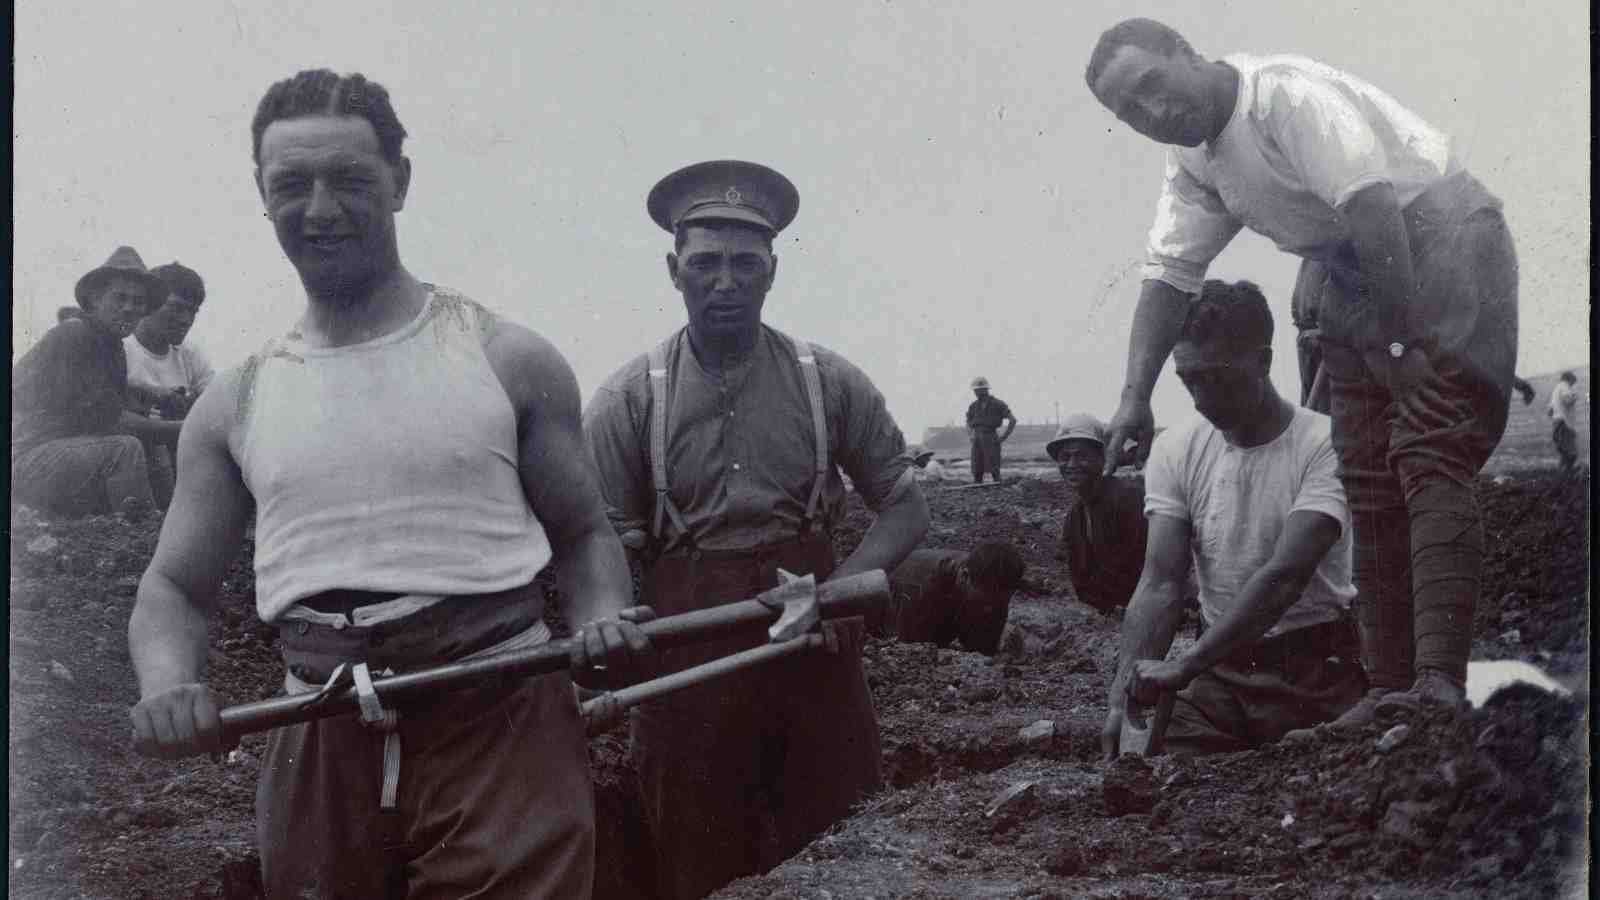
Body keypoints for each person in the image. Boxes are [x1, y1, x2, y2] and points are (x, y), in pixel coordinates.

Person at [126, 69, 649, 899]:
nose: (320, 210)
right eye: (291, 185)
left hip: (498, 712)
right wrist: (168, 685)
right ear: (262, 194)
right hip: (316, 726)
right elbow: (175, 587)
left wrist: (601, 622)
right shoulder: (238, 399)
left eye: (350, 180)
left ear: (400, 182)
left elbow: (585, 536)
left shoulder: (503, 357)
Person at [1087, 19, 1518, 724]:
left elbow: (1373, 204)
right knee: (1368, 474)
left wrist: (1401, 345)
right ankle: (1389, 690)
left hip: (1437, 238)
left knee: (1429, 446)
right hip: (1355, 269)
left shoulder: (1282, 100)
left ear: (1187, 55)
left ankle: (1437, 686)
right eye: (1130, 113)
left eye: (1153, 87)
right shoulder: (1196, 161)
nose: (1153, 114)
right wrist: (1135, 396)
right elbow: (1168, 275)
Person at [584, 159, 930, 900]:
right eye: (705, 263)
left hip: (813, 647)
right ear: (672, 270)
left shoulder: (828, 381)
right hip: (688, 657)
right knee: (696, 856)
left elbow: (906, 507)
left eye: (746, 264)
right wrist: (612, 616)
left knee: (840, 848)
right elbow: (601, 539)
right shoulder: (626, 401)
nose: (725, 282)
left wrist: (835, 594)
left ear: (773, 271)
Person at [1102, 280, 1365, 757]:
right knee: (1170, 780)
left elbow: (1285, 577)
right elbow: (1160, 582)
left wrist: (1189, 663)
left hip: (1313, 670)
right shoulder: (1176, 448)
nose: (1201, 398)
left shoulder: (1324, 444)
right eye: (1189, 380)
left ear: (1262, 362)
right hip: (1217, 679)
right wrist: (1123, 694)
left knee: (1314, 774)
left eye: (1216, 378)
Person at [11, 247, 169, 517]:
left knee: (146, 441)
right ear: (95, 299)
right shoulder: (75, 335)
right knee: (124, 448)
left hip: (53, 457)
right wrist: (186, 428)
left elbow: (103, 405)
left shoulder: (111, 346)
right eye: (120, 297)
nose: (129, 308)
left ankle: (165, 523)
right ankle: (143, 536)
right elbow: (112, 420)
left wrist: (150, 399)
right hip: (23, 462)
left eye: (138, 302)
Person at [125, 262, 216, 508]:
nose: (185, 319)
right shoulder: (122, 349)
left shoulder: (188, 354)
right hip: (140, 460)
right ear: (150, 304)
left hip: (181, 457)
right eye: (176, 308)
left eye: (193, 312)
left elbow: (218, 400)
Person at [1047, 413, 1147, 614]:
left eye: (1082, 456)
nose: (1072, 464)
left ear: (1102, 458)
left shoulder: (1129, 500)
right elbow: (1081, 579)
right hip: (1106, 616)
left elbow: (1146, 569)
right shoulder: (1075, 517)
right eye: (1065, 457)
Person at [881, 542, 1025, 654]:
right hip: (885, 610)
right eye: (985, 600)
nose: (990, 608)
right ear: (964, 576)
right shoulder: (922, 587)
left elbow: (983, 652)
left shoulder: (997, 584)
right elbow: (911, 652)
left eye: (1000, 601)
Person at [965, 376, 1016, 483]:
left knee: (994, 467)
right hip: (977, 439)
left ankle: (998, 490)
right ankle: (977, 491)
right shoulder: (973, 406)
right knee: (976, 468)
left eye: (979, 390)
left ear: (986, 389)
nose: (976, 393)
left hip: (990, 437)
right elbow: (968, 421)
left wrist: (1003, 437)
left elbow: (1013, 420)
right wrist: (970, 435)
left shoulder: (998, 404)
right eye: (975, 390)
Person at [1548, 371, 1580, 473]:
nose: (1572, 385)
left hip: (1557, 423)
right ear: (1569, 380)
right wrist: (1575, 396)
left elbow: (1549, 411)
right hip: (1564, 423)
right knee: (1571, 453)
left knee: (1564, 453)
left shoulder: (1555, 390)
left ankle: (1562, 474)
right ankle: (1566, 474)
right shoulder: (1564, 387)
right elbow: (1567, 400)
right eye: (1572, 383)